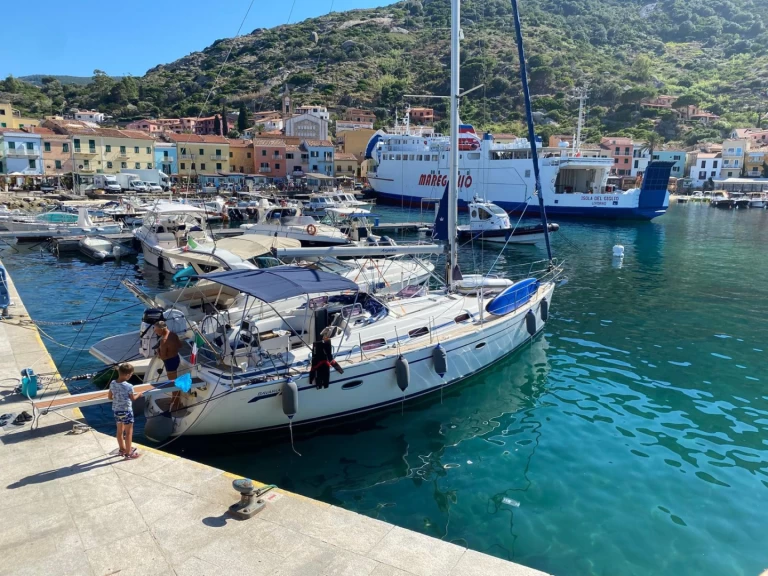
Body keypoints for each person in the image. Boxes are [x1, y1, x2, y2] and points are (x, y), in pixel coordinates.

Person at [107, 363, 140, 459]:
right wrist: (140, 394)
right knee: (129, 432)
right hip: (127, 411)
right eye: (131, 374)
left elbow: (109, 397)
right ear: (127, 375)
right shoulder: (129, 386)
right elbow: (133, 398)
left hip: (117, 411)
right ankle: (129, 453)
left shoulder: (113, 383)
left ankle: (122, 449)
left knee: (119, 430)